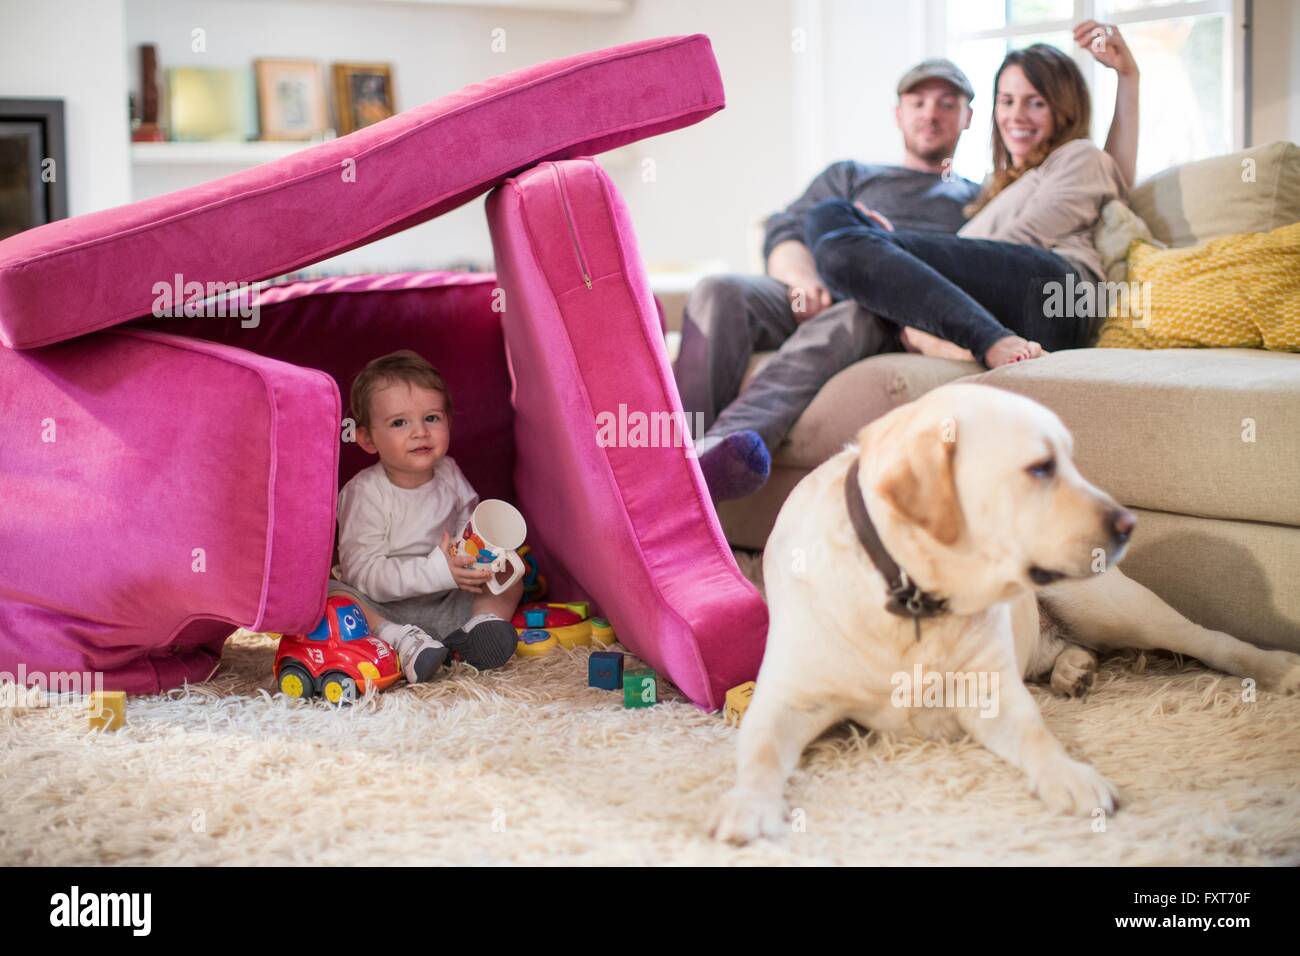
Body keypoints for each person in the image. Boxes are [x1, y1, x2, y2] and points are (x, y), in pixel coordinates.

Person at [674, 21, 1138, 501]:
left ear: (968, 118)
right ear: (898, 114)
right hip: (815, 285)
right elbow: (786, 230)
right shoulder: (855, 175)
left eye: (947, 104)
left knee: (855, 287)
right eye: (918, 102)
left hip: (887, 302)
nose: (930, 114)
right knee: (722, 288)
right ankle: (671, 451)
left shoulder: (976, 197)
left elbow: (1106, 175)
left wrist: (883, 252)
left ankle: (720, 453)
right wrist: (801, 278)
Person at [328, 350, 522, 685]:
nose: (420, 432)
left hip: (447, 599)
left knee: (511, 575)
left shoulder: (449, 472)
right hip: (384, 609)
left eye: (431, 418)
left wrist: (476, 562)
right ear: (367, 439)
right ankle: (401, 643)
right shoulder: (364, 493)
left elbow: (467, 527)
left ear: (448, 422)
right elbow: (363, 574)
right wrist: (436, 572)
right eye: (399, 423)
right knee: (332, 595)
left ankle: (477, 628)